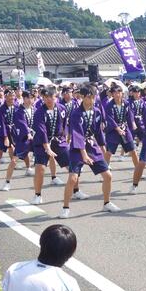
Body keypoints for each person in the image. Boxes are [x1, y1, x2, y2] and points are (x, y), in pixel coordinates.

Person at [60, 86, 119, 218]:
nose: (92, 100)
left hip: (92, 146)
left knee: (108, 175)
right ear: (82, 97)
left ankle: (106, 203)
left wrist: (103, 147)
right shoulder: (76, 114)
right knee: (73, 178)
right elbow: (78, 135)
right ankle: (65, 207)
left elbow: (98, 132)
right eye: (89, 97)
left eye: (94, 97)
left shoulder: (96, 111)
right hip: (77, 148)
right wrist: (84, 154)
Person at [31, 86, 67, 205]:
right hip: (42, 143)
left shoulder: (62, 108)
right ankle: (37, 195)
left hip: (58, 141)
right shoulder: (39, 112)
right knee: (40, 168)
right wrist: (47, 148)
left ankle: (76, 190)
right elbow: (42, 131)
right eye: (45, 97)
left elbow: (65, 123)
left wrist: (65, 137)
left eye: (51, 97)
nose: (48, 99)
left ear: (55, 97)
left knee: (72, 165)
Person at [2, 91, 35, 191]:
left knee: (49, 155)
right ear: (23, 99)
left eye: (32, 98)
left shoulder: (35, 109)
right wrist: (28, 133)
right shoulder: (19, 111)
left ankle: (53, 177)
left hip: (35, 137)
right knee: (14, 160)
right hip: (24, 138)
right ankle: (7, 182)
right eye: (28, 98)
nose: (30, 100)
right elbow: (22, 123)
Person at [103, 83, 138, 168]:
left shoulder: (126, 103)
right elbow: (109, 118)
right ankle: (104, 171)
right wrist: (117, 129)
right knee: (109, 152)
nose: (118, 95)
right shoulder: (109, 105)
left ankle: (138, 170)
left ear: (122, 93)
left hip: (124, 129)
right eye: (115, 93)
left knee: (133, 150)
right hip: (113, 131)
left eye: (119, 92)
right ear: (112, 94)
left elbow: (129, 114)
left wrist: (132, 122)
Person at [0, 89, 17, 179]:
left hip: (13, 132)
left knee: (13, 149)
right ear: (5, 97)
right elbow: (0, 124)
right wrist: (5, 137)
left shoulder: (16, 106)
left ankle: (24, 167)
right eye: (10, 95)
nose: (12, 97)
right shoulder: (1, 109)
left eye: (13, 96)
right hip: (2, 133)